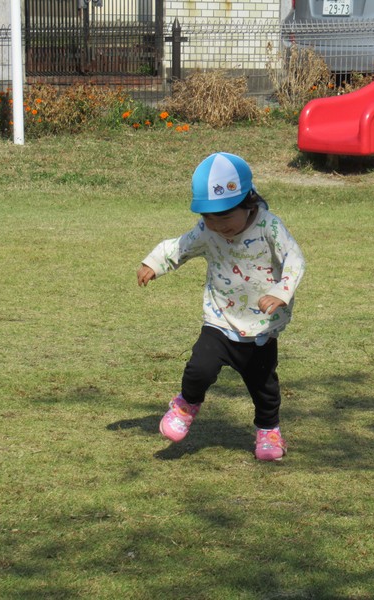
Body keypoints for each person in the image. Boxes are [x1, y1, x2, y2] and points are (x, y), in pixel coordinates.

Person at [137, 152, 305, 460]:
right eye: (209, 218)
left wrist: (281, 292)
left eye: (225, 217)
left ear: (248, 203)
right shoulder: (208, 231)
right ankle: (185, 406)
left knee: (264, 387)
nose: (217, 226)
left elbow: (294, 259)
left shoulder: (269, 227)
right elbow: (181, 246)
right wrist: (154, 263)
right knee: (198, 368)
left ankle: (269, 432)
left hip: (261, 327)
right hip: (220, 319)